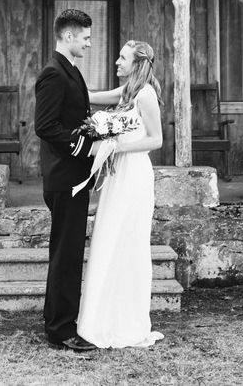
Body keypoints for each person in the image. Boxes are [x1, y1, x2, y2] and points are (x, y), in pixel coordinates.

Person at [76, 40, 165, 349]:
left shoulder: (146, 95)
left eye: (122, 58)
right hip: (118, 178)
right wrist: (68, 86)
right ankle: (100, 317)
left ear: (137, 64)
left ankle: (126, 320)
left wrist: (118, 146)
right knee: (108, 238)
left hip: (136, 175)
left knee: (128, 242)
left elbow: (156, 140)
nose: (116, 61)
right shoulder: (127, 91)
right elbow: (91, 97)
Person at [34, 9, 100, 352]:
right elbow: (44, 126)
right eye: (86, 38)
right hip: (63, 176)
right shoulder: (53, 73)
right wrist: (86, 146)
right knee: (66, 253)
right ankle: (60, 330)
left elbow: (74, 115)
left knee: (68, 251)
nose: (89, 44)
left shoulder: (69, 70)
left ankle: (56, 319)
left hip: (72, 175)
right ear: (69, 36)